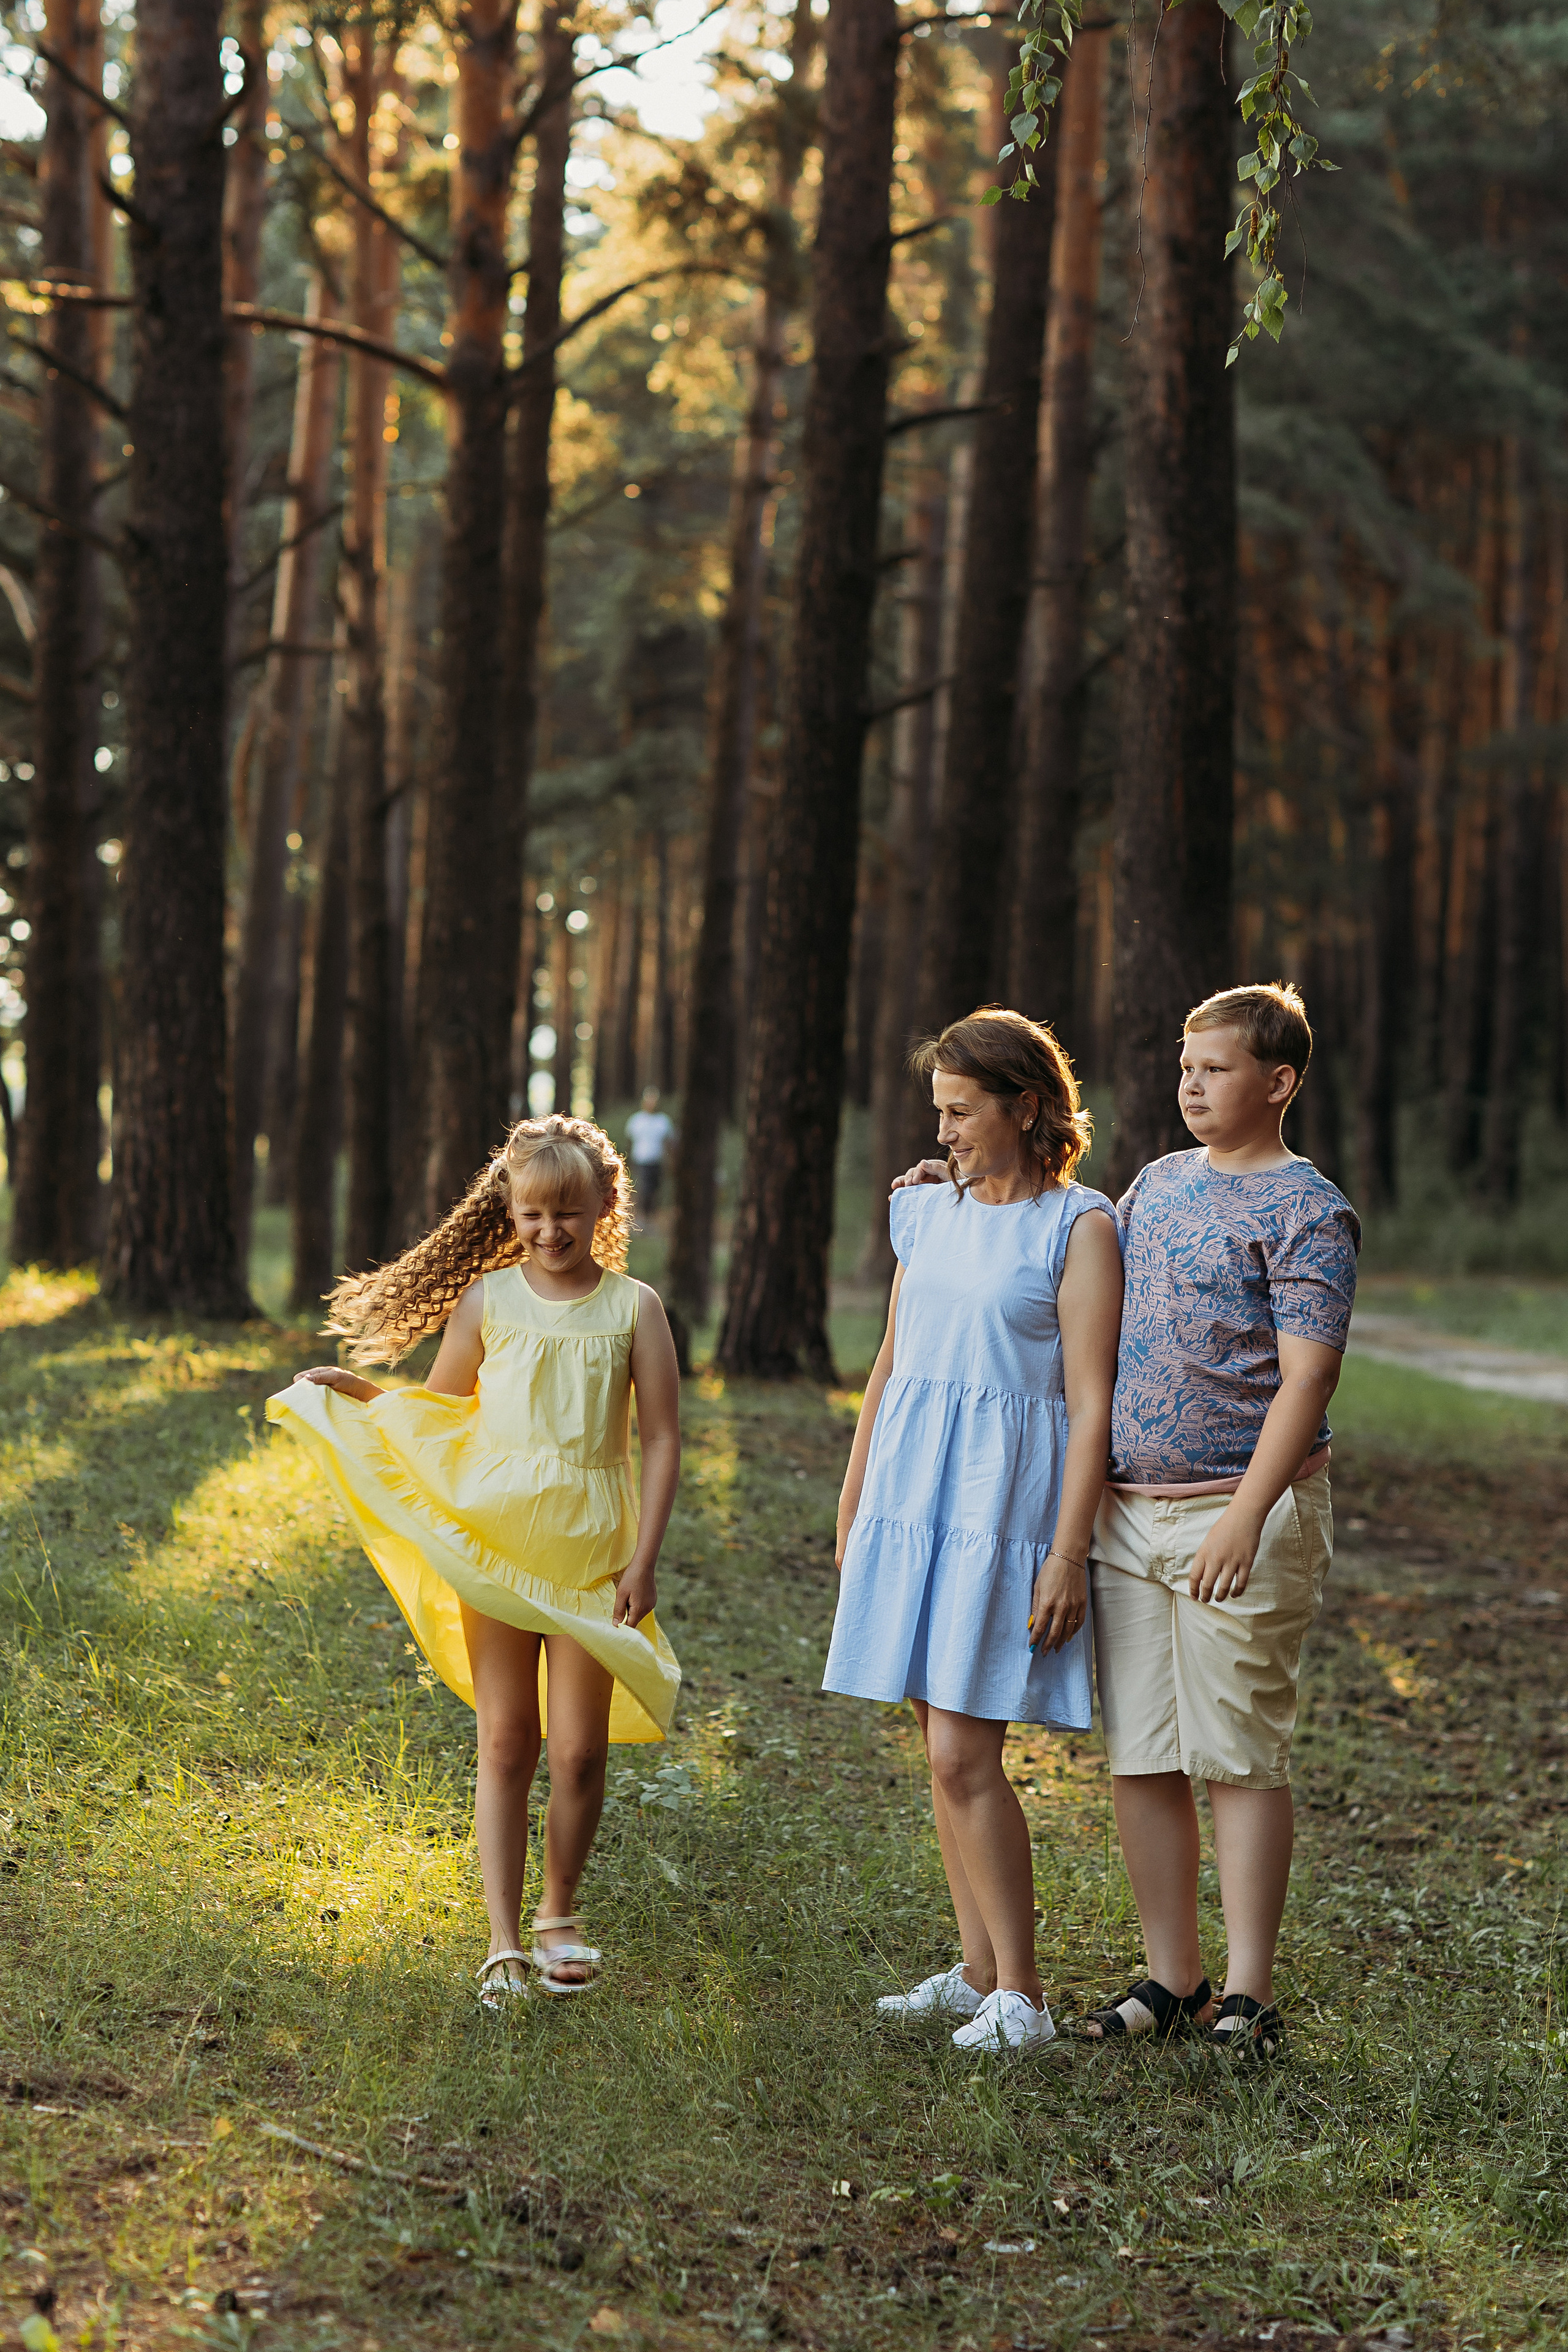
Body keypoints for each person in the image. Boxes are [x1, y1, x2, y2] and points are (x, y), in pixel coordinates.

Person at [895, 981, 1359, 2058]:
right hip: (1128, 1515)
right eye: (1186, 1068)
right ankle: (1174, 1978)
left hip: (1237, 1512)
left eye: (1218, 1070)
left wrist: (1251, 1513)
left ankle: (1247, 1990)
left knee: (1237, 1750)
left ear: (1278, 1083)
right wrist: (955, 1178)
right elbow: (1058, 1250)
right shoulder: (1151, 1186)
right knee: (1142, 1754)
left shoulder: (1308, 1208)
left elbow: (1306, 1383)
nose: (1193, 1085)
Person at [266, 1115, 682, 2010]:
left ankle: (557, 1915)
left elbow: (663, 1439)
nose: (550, 1232)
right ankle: (501, 1940)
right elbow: (441, 1416)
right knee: (508, 1740)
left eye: (569, 1214)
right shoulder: (489, 1301)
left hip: (593, 1556)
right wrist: (363, 1400)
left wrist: (644, 1561)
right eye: (533, 1214)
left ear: (606, 1206)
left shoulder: (634, 1309)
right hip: (495, 1543)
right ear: (511, 1212)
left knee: (577, 1752)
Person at [827, 1009, 1123, 2057]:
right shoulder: (925, 1214)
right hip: (913, 1497)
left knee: (964, 1751)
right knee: (933, 1735)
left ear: (1027, 1106)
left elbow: (1091, 1403)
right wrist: (855, 1503)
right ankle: (978, 1971)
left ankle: (1027, 2000)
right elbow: (890, 1367)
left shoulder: (1078, 1228)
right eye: (937, 1111)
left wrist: (1067, 1551)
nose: (944, 1130)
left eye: (962, 1111)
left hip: (1006, 1511)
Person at [626, 1087, 676, 1220]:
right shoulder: (636, 1120)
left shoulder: (663, 1121)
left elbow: (669, 1143)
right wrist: (627, 1161)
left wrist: (671, 1161)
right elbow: (630, 1142)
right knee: (644, 1189)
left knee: (655, 1190)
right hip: (641, 1160)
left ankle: (651, 1217)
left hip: (657, 1160)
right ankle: (642, 1216)